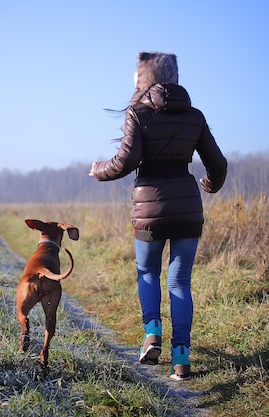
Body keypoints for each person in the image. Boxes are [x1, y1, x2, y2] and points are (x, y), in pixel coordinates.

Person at [89, 51, 227, 380]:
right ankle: (181, 357)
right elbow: (218, 165)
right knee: (180, 282)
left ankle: (152, 334)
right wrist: (209, 184)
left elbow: (124, 162)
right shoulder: (194, 116)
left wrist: (98, 170)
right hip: (187, 209)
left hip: (149, 208)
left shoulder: (138, 113)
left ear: (144, 78)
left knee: (147, 273)